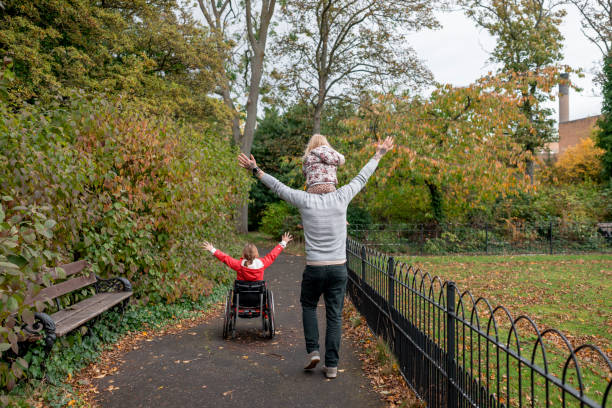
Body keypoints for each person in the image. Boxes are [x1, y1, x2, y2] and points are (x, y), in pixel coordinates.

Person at [238, 136, 394, 379]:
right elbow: (362, 177)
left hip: (314, 268)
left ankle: (313, 350)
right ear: (332, 172)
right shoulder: (342, 196)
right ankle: (331, 366)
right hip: (338, 268)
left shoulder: (305, 199)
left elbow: (278, 187)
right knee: (334, 315)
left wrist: (255, 170)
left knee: (309, 306)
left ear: (309, 173)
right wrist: (379, 154)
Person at [202, 232, 293, 281]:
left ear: (243, 254)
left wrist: (212, 249)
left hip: (242, 295)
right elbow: (273, 255)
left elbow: (225, 258)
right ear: (256, 254)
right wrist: (283, 242)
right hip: (257, 295)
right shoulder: (262, 264)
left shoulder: (238, 265)